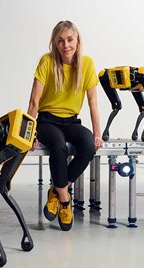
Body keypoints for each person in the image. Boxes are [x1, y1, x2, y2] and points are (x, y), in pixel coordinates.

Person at [27, 20, 102, 231]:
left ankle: (56, 191)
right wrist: (29, 133)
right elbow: (34, 101)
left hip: (71, 120)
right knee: (58, 147)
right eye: (60, 41)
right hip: (46, 120)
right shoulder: (47, 61)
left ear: (77, 41)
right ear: (54, 43)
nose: (65, 45)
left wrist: (98, 133)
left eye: (69, 39)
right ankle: (65, 200)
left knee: (88, 145)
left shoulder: (87, 64)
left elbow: (93, 102)